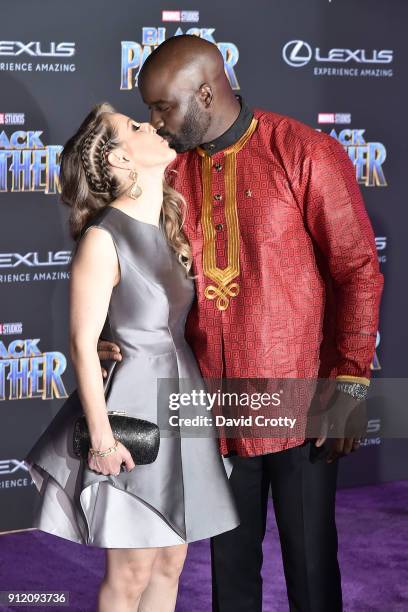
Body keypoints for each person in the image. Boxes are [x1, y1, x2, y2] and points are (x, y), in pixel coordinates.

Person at [97, 36, 384, 612]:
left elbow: (356, 269)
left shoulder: (303, 151)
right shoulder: (170, 171)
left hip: (303, 402)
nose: (155, 124)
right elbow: (134, 262)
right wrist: (113, 329)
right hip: (211, 404)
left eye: (163, 109)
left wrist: (350, 383)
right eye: (148, 111)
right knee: (229, 573)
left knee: (310, 566)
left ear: (205, 92)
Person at [24, 102, 239, 612]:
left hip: (183, 402)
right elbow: (81, 344)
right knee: (132, 572)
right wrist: (101, 441)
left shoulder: (173, 227)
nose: (155, 126)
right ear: (120, 161)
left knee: (171, 562)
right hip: (131, 411)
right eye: (137, 127)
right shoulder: (102, 239)